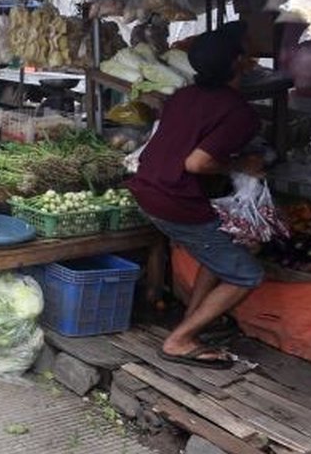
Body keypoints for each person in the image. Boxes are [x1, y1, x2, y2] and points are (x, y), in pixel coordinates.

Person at [126, 23, 263, 369]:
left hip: (148, 188)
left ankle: (195, 317)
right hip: (174, 200)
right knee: (247, 274)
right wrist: (240, 164)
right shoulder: (238, 112)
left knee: (220, 247)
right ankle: (179, 340)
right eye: (245, 53)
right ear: (238, 63)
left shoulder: (183, 95)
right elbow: (197, 162)